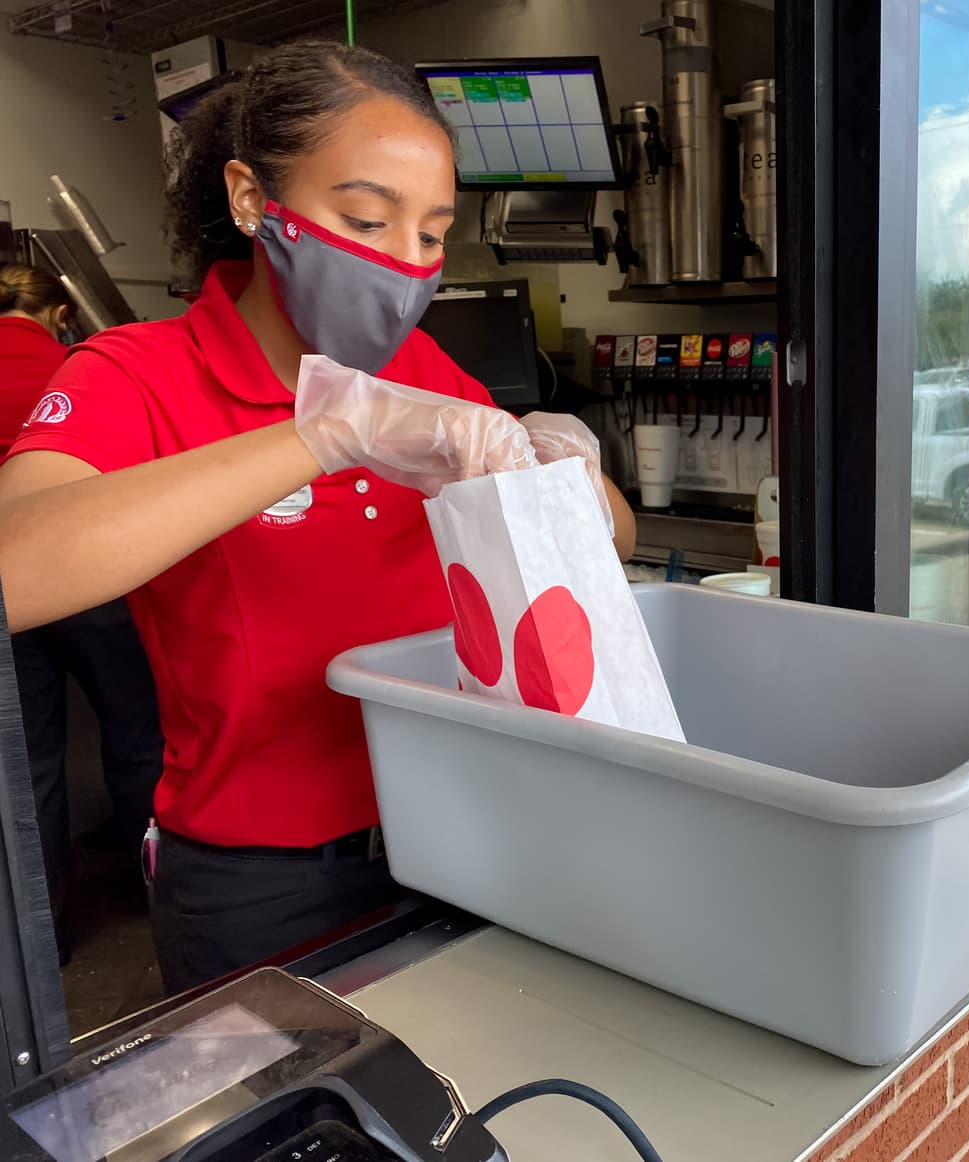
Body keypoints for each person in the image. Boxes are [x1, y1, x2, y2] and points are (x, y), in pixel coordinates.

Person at [0, 41, 636, 994]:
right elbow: (19, 569)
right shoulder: (139, 373)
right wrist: (323, 434)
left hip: (466, 834)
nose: (407, 264)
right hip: (262, 883)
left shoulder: (424, 370)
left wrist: (573, 476)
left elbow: (610, 547)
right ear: (255, 200)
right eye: (368, 219)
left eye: (431, 233)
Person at [0, 265, 164, 965]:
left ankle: (48, 934)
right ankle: (153, 892)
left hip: (9, 592)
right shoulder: (82, 369)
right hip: (88, 582)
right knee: (137, 733)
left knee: (28, 762)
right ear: (60, 313)